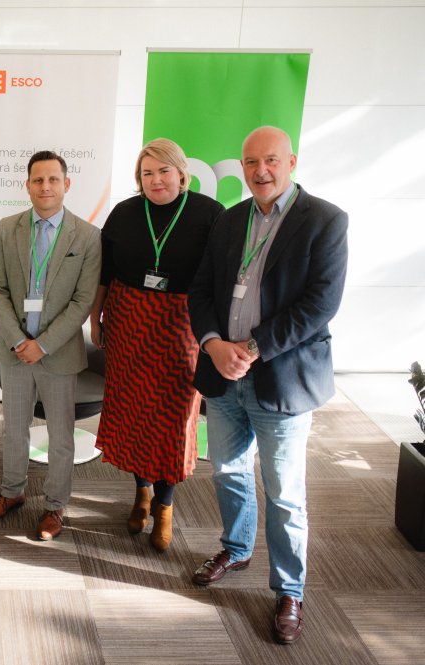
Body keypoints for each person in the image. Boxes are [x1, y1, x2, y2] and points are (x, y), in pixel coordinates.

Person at [188, 126, 348, 644]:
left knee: (284, 495)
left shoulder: (325, 220)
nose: (261, 171)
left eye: (271, 160)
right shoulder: (228, 220)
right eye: (252, 161)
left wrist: (253, 348)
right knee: (228, 471)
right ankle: (236, 549)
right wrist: (214, 344)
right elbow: (201, 290)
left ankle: (289, 590)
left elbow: (320, 305)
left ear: (291, 162)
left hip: (281, 379)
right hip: (223, 375)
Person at [90, 139, 224, 552]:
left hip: (182, 324)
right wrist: (95, 318)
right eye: (147, 173)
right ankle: (142, 491)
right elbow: (105, 272)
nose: (156, 180)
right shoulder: (125, 213)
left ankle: (165, 504)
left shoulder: (209, 214)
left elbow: (219, 279)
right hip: (128, 321)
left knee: (173, 416)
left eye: (164, 171)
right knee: (134, 412)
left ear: (181, 174)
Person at [0, 150, 101, 541]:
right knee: (13, 430)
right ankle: (11, 491)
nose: (45, 186)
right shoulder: (8, 228)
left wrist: (43, 345)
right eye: (38, 180)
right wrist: (19, 340)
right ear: (28, 185)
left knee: (60, 436)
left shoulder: (87, 236)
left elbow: (83, 301)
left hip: (59, 354)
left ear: (66, 185)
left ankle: (55, 506)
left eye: (53, 180)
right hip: (14, 351)